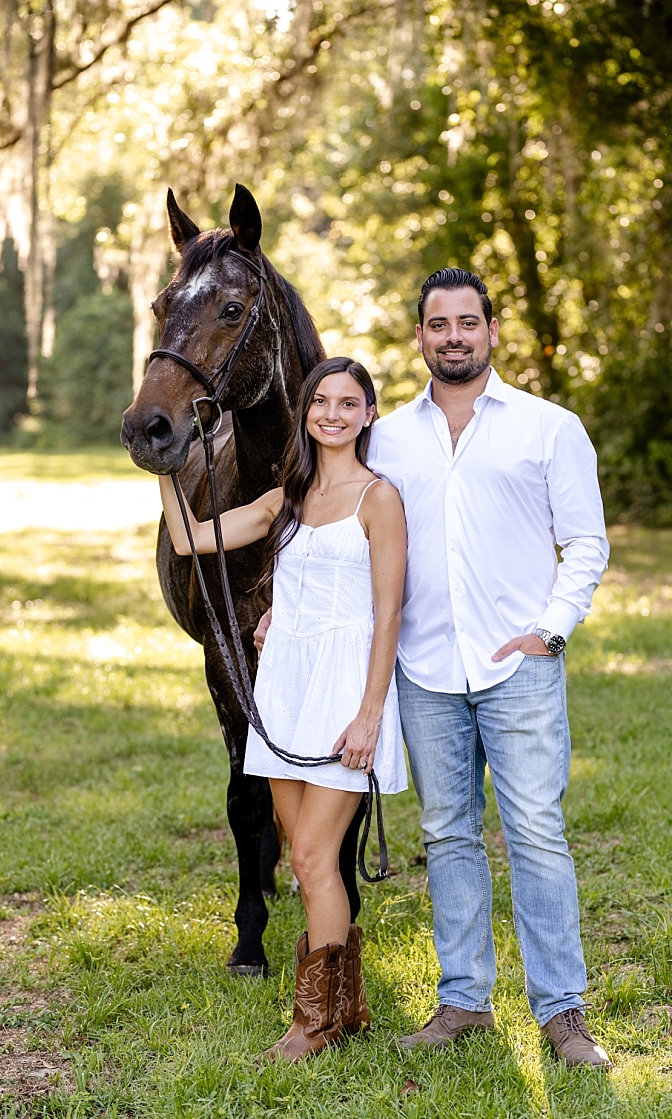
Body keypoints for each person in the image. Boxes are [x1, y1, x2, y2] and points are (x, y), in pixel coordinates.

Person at [366, 267, 613, 1068]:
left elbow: (586, 542)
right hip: (425, 666)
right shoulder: (388, 437)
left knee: (537, 832)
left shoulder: (548, 427)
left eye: (467, 322)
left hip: (519, 666)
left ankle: (563, 1012)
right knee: (446, 833)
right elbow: (351, 532)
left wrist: (550, 629)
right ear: (420, 337)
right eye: (438, 325)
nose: (454, 337)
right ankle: (465, 1000)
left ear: (492, 330)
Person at [160, 355, 408, 1061]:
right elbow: (190, 538)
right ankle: (346, 1003)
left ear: (367, 414)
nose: (332, 412)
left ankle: (313, 1022)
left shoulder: (377, 498)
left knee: (310, 853)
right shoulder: (286, 498)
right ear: (306, 411)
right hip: (285, 690)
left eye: (348, 402)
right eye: (320, 400)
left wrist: (369, 714)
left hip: (342, 694)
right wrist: (165, 460)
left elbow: (388, 610)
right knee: (304, 863)